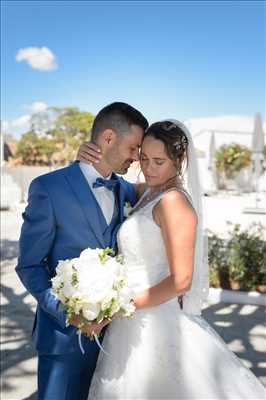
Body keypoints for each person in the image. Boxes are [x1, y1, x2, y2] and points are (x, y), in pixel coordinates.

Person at [78, 121, 265, 399]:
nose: (149, 168)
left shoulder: (174, 202)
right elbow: (110, 183)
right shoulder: (151, 191)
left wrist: (116, 309)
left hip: (153, 321)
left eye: (159, 161)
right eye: (143, 158)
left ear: (180, 161)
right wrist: (86, 160)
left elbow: (182, 280)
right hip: (130, 321)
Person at [15, 102, 148, 400]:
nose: (136, 158)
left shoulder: (127, 191)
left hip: (116, 341)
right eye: (134, 148)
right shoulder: (49, 188)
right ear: (109, 138)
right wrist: (69, 313)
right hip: (63, 340)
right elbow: (29, 265)